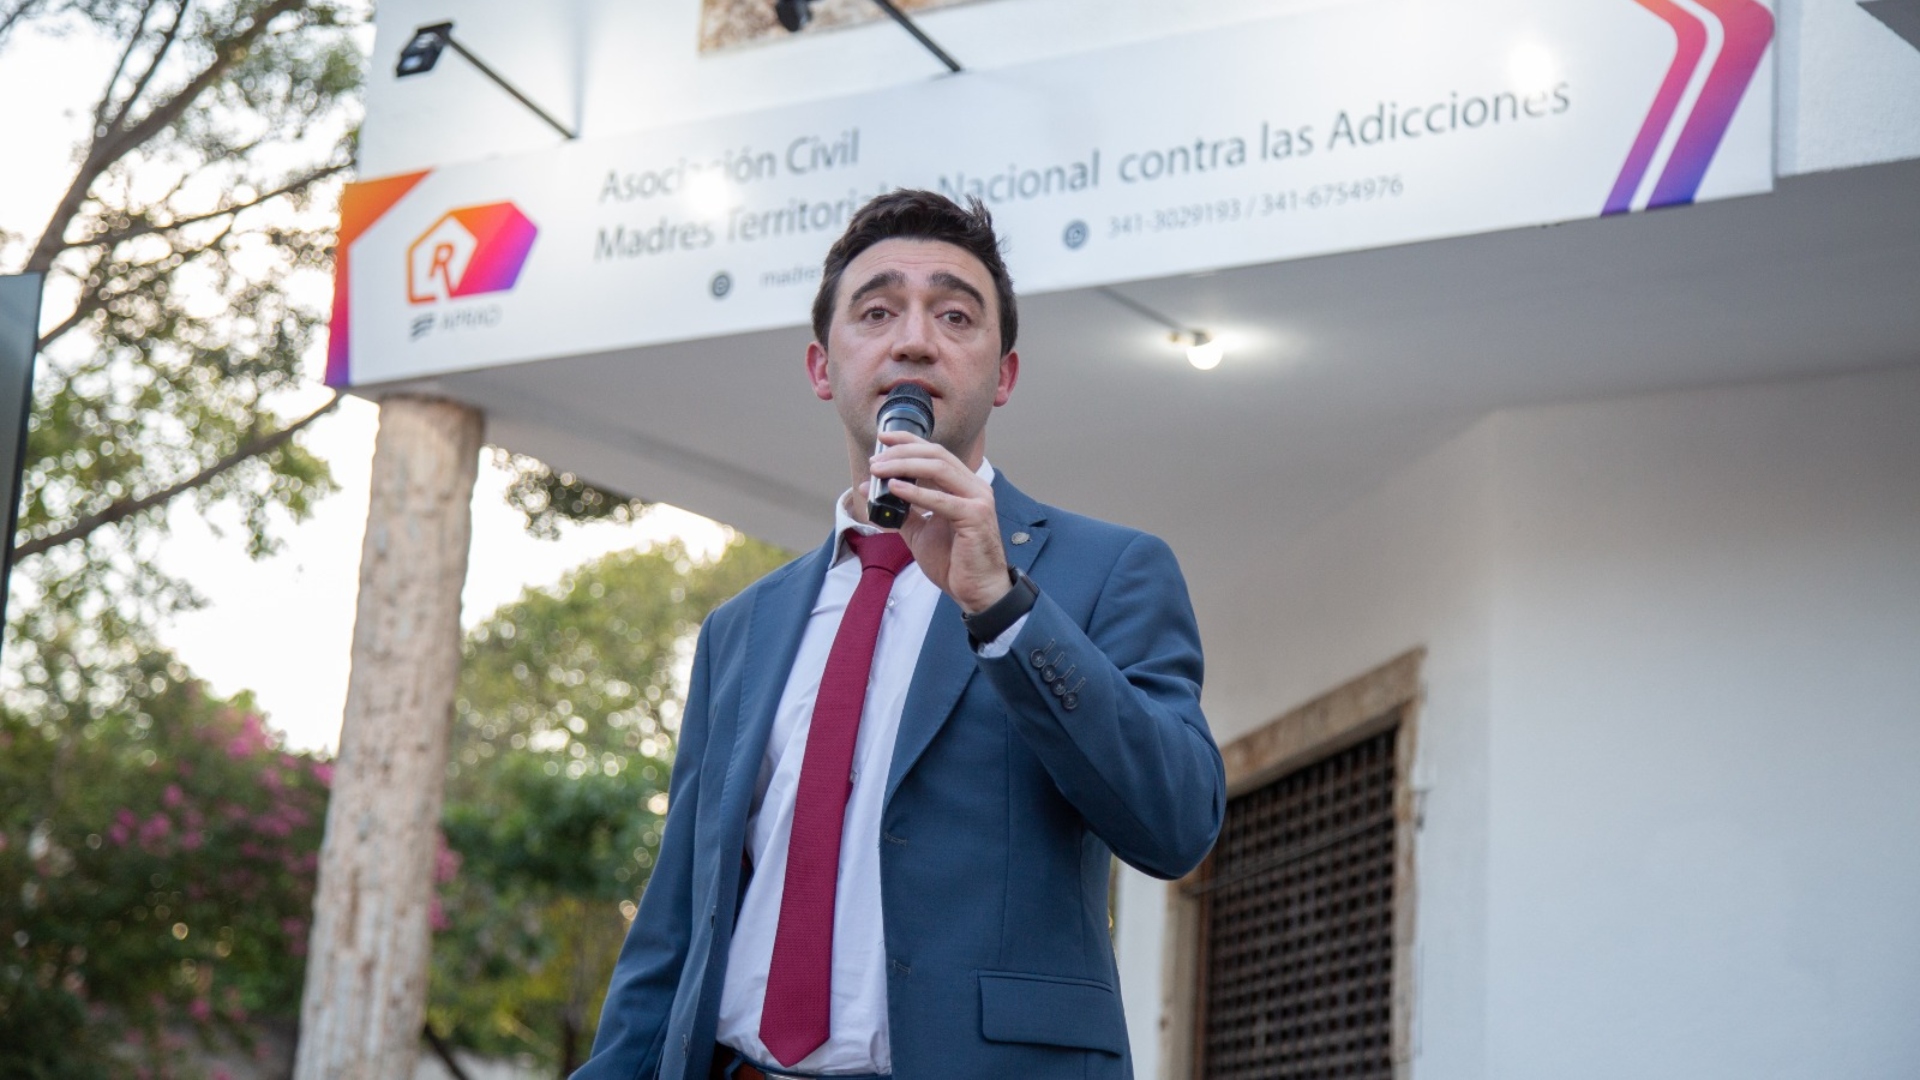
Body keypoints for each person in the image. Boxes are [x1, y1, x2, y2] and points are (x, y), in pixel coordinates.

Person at [575, 190, 1224, 1080]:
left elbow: (1177, 824)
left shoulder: (1107, 570)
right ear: (822, 366)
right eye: (877, 312)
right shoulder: (742, 629)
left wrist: (1003, 608)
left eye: (955, 315)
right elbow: (675, 921)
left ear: (1003, 375)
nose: (914, 340)